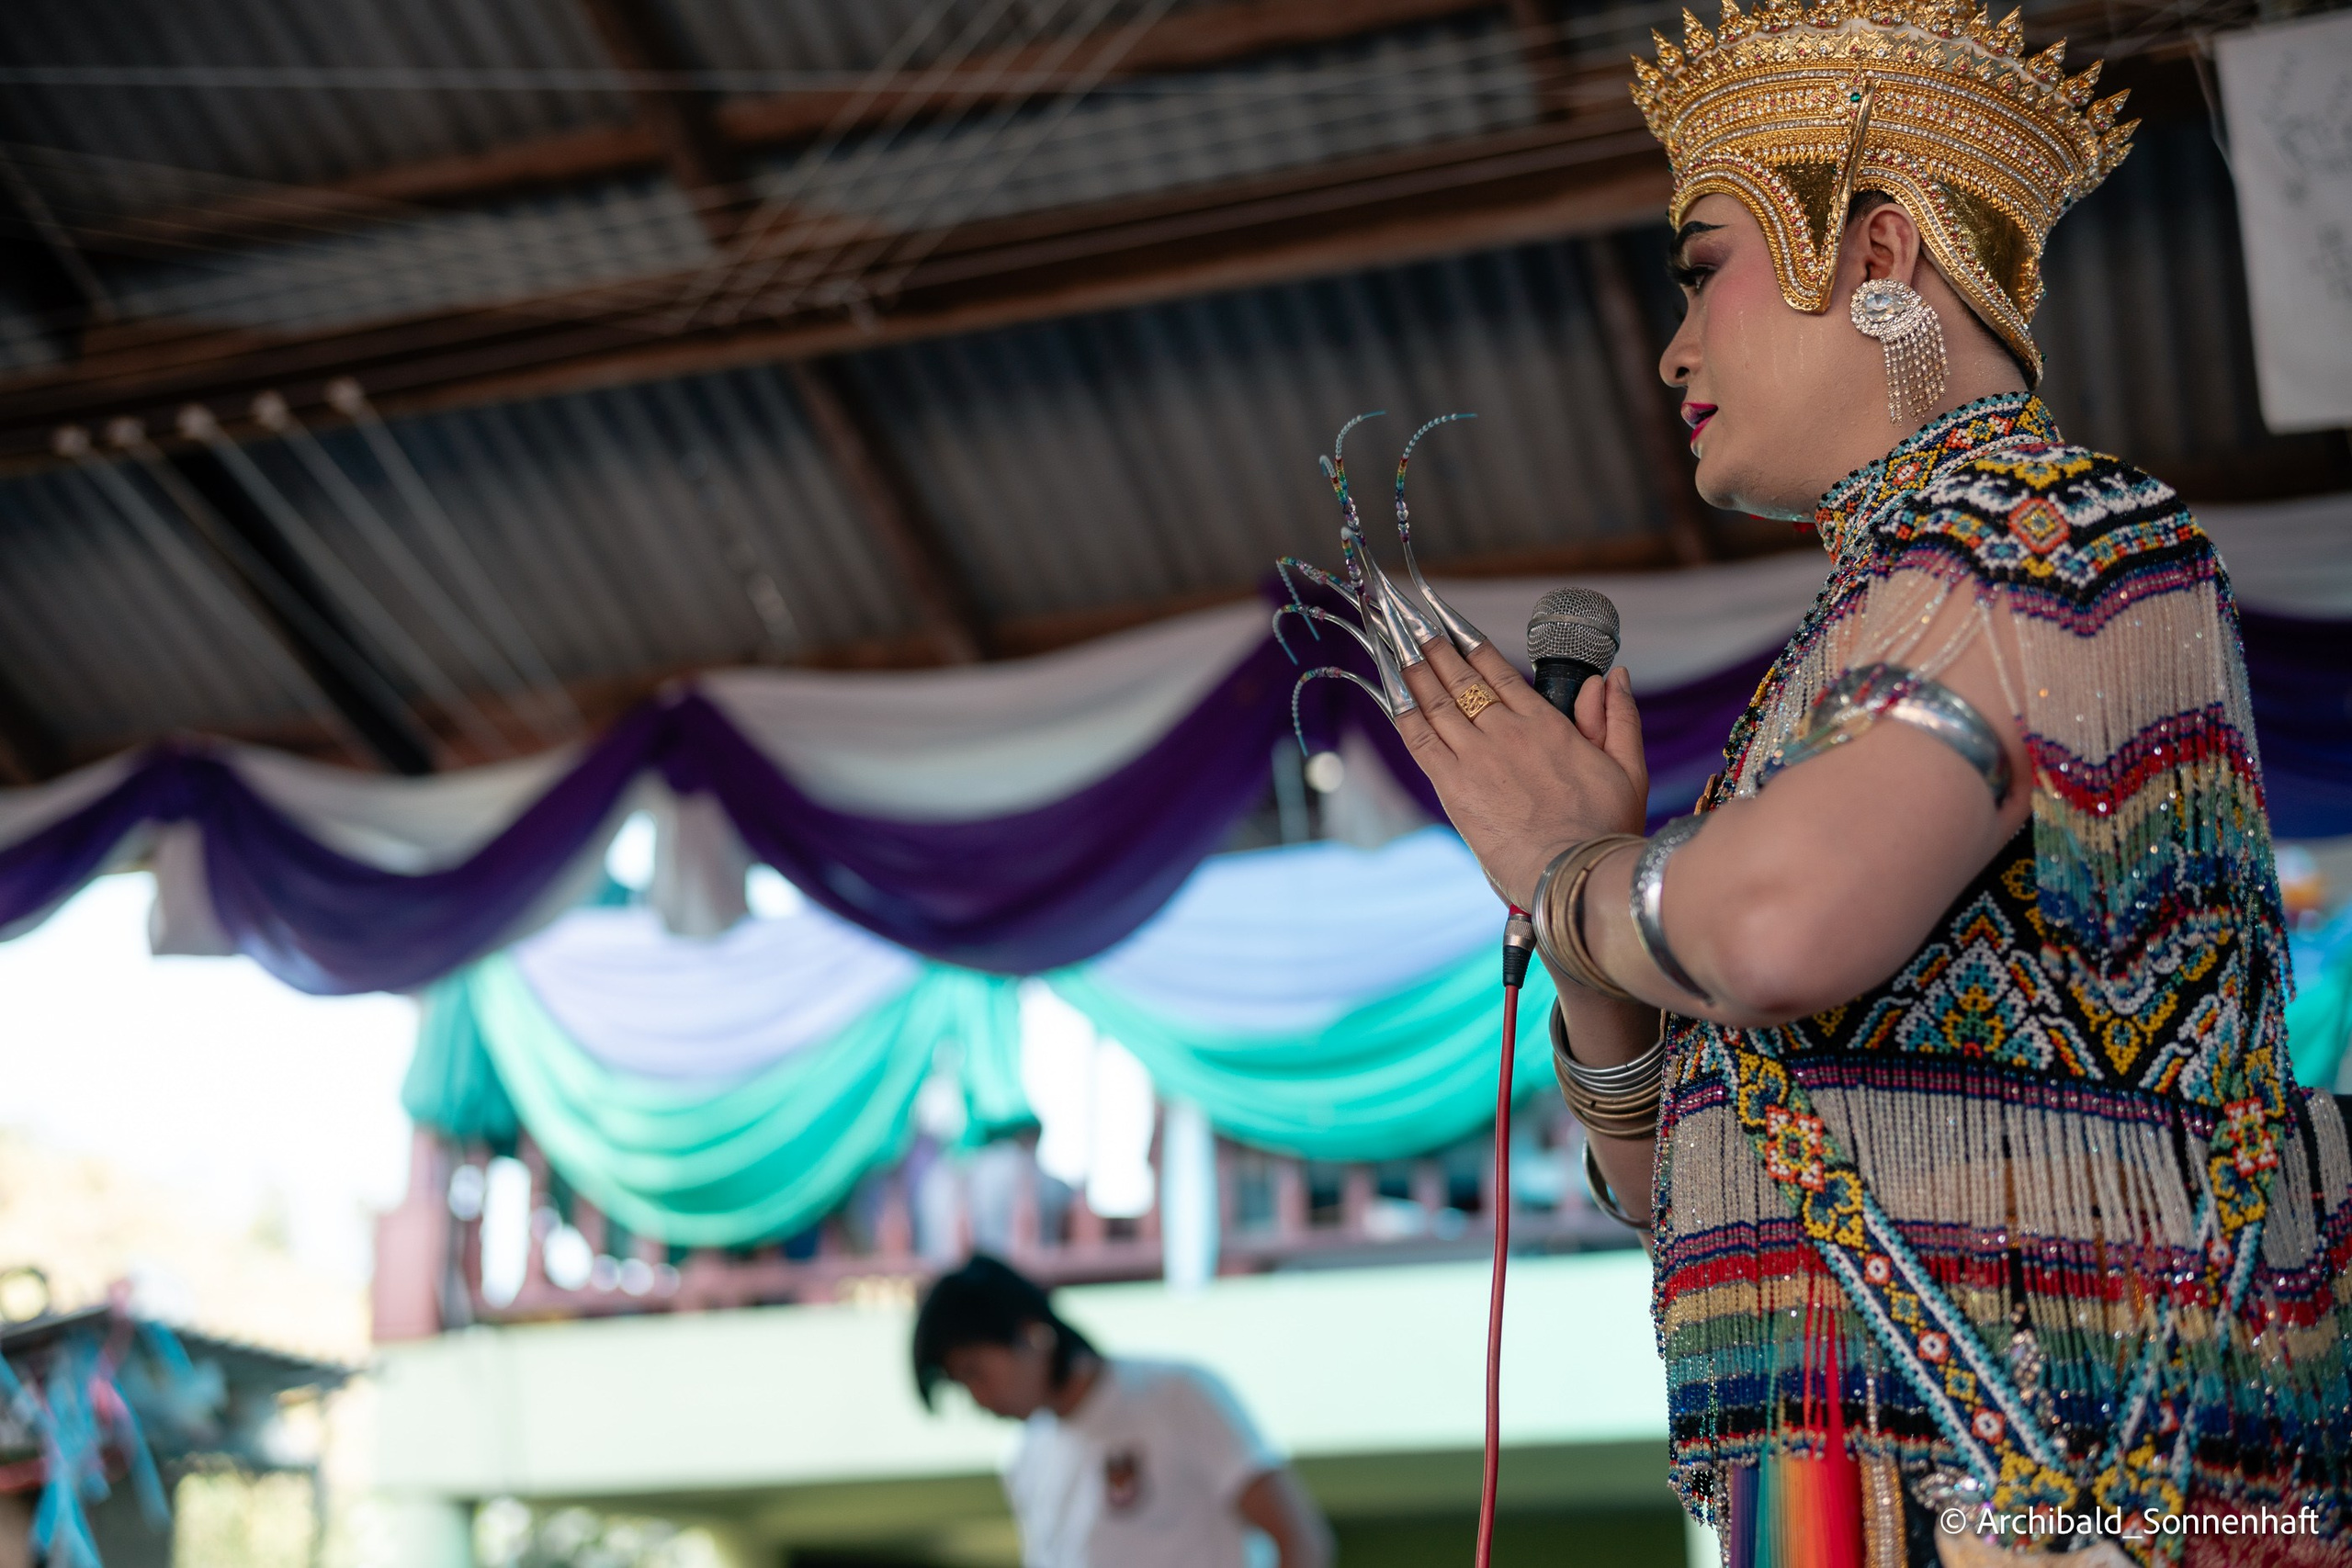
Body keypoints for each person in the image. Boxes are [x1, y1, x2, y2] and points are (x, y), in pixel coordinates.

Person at [1377, 2, 2352, 1563]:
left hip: (2076, 1500)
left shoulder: (2063, 538)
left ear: (1883, 251)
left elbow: (1774, 931)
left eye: (1703, 267)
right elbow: (1670, 1186)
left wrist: (1575, 865)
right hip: (1849, 1493)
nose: (1672, 343)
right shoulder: (1848, 652)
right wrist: (1595, 925)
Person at [911, 1256, 1333, 1568]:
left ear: (1031, 1334)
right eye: (960, 1385)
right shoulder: (1025, 1459)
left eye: (975, 1372)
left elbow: (1299, 1542)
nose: (978, 1398)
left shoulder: (1176, 1395)